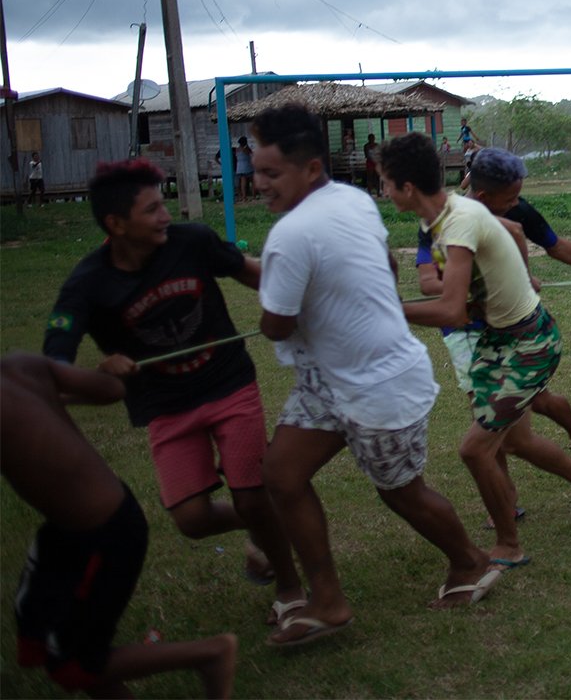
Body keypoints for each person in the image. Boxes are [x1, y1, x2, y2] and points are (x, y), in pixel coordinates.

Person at [252, 104, 497, 645]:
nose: (259, 183)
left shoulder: (289, 236)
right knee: (282, 475)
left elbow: (275, 324)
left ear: (311, 169)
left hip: (379, 383)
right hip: (326, 380)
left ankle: (470, 561)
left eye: (272, 173)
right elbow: (384, 265)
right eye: (256, 169)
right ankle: (327, 600)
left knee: (402, 493)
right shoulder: (353, 199)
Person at [42, 158, 303, 625]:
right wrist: (104, 370)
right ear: (115, 224)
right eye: (151, 210)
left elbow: (248, 271)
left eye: (163, 206)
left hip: (228, 384)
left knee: (250, 494)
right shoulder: (88, 283)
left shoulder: (191, 241)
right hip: (163, 405)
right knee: (191, 518)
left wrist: (317, 286)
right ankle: (261, 525)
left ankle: (289, 589)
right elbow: (54, 362)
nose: (165, 217)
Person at [381, 133, 571, 571]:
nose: (384, 191)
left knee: (475, 449)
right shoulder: (452, 211)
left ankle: (509, 544)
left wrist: (381, 307)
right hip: (500, 339)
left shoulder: (458, 221)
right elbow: (510, 229)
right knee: (517, 439)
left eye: (386, 183)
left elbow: (450, 307)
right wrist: (519, 276)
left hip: (528, 344)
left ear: (406, 187)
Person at [3, 353, 238, 698]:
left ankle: (210, 655)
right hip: (73, 527)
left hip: (101, 536)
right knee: (38, 630)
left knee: (74, 662)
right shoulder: (21, 366)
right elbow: (111, 390)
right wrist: (106, 372)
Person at [233, 136, 254, 203]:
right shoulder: (246, 149)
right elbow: (251, 154)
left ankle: (244, 196)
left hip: (239, 166)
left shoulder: (237, 149)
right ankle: (254, 195)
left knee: (242, 182)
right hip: (247, 166)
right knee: (252, 181)